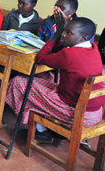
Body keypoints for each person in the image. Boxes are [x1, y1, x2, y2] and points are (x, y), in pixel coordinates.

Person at [6, 15, 104, 143]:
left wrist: (55, 34)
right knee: (40, 80)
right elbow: (63, 52)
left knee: (18, 82)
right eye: (63, 30)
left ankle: (43, 129)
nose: (63, 34)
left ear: (83, 37)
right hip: (95, 111)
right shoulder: (93, 47)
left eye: (68, 32)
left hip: (77, 114)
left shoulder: (70, 55)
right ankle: (42, 128)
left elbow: (40, 58)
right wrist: (62, 36)